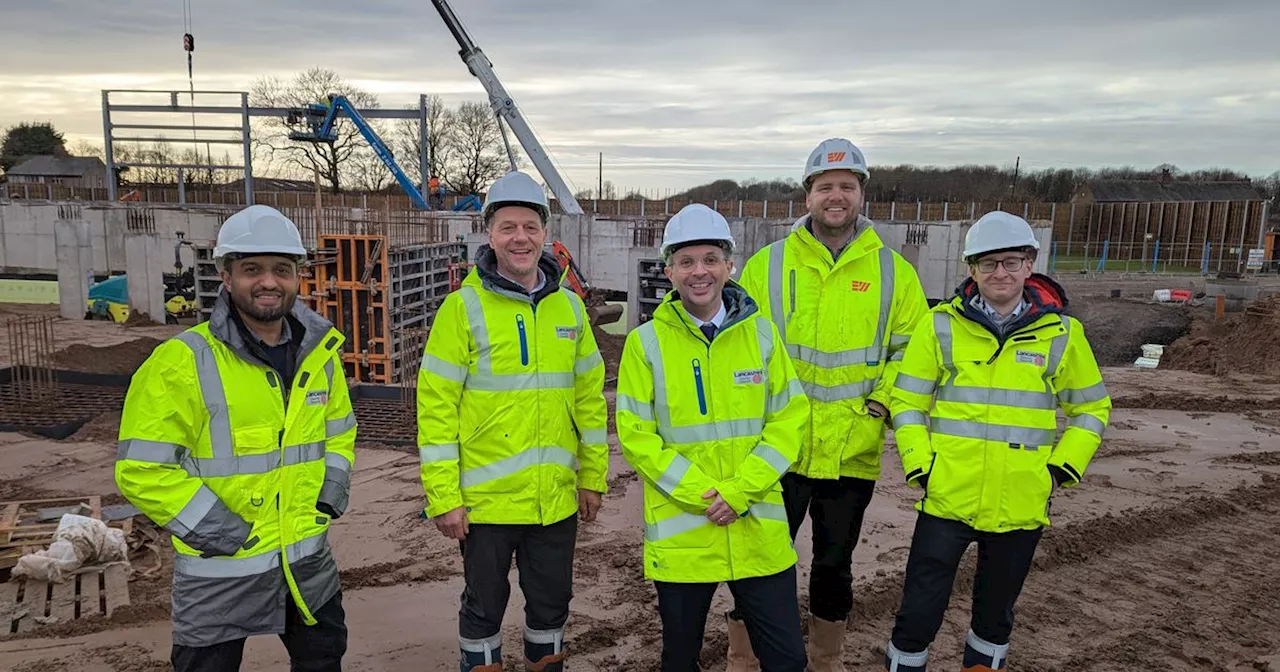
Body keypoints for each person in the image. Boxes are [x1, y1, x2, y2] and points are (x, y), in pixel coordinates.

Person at [115, 205, 356, 672]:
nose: (268, 282)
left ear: (299, 277)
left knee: (324, 661)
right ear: (226, 276)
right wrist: (223, 532)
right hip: (218, 573)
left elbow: (340, 431)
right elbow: (143, 469)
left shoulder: (320, 356)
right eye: (252, 270)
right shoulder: (182, 363)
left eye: (281, 270)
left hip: (307, 566)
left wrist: (329, 495)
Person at [881, 212, 1112, 671]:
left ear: (1030, 264)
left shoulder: (1063, 334)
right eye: (988, 264)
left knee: (994, 619)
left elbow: (1092, 409)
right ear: (971, 269)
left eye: (1010, 262)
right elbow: (906, 401)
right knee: (917, 614)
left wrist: (1060, 468)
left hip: (1021, 503)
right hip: (947, 498)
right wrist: (920, 464)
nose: (999, 273)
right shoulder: (940, 325)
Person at [733, 138, 929, 670]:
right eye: (825, 187)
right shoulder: (766, 266)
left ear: (862, 193)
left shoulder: (894, 273)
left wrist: (882, 403)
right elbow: (737, 344)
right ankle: (745, 661)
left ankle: (825, 660)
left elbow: (912, 351)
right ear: (808, 195)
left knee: (834, 567)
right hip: (778, 451)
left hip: (852, 449)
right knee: (759, 563)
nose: (835, 196)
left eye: (846, 186)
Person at [416, 170, 610, 672]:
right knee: (483, 610)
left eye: (530, 226)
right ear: (489, 233)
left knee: (551, 607)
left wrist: (591, 476)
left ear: (545, 233)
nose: (519, 238)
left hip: (554, 502)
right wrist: (444, 496)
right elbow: (436, 410)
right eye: (508, 227)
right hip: (486, 506)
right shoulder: (463, 309)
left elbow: (588, 400)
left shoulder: (569, 308)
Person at [616, 203, 811, 671]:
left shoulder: (762, 336)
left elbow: (789, 420)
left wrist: (739, 492)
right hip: (686, 540)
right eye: (686, 261)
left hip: (757, 534)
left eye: (709, 259)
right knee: (679, 659)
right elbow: (637, 436)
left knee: (787, 659)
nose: (698, 272)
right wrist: (705, 496)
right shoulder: (644, 344)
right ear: (669, 271)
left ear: (729, 265)